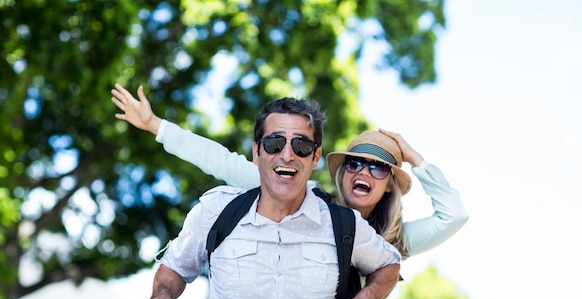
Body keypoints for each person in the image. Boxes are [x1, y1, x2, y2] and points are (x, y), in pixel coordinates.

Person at [128, 96, 402, 299]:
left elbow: (388, 264)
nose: (287, 154)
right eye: (274, 142)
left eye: (301, 146)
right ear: (257, 151)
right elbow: (175, 268)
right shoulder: (217, 211)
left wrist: (369, 298)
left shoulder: (343, 224)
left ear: (314, 158)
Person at [111, 84, 469, 260]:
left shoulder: (392, 241)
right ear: (341, 172)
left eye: (378, 168)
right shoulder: (302, 195)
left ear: (389, 185)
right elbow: (223, 162)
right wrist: (157, 126)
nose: (364, 172)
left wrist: (415, 158)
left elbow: (454, 216)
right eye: (356, 163)